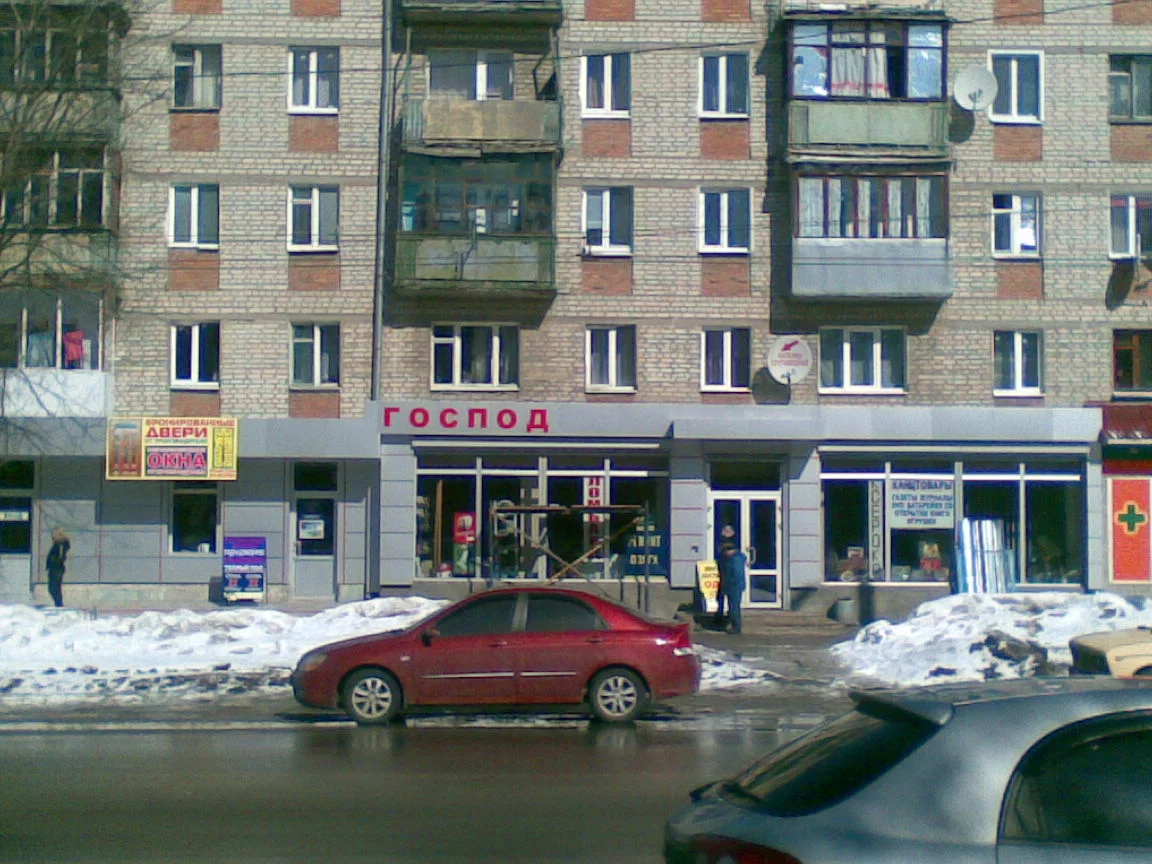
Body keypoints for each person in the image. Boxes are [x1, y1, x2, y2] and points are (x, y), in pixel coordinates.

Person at [717, 542, 747, 635]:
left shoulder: (735, 559)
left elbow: (736, 574)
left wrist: (728, 582)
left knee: (734, 607)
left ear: (730, 551)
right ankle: (732, 624)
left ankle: (736, 627)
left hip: (734, 586)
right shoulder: (730, 558)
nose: (724, 553)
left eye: (724, 551)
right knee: (732, 606)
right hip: (731, 585)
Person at [46, 528, 70, 608]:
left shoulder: (60, 544)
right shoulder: (57, 544)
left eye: (54, 534)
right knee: (53, 588)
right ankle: (58, 604)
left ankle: (59, 605)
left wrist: (53, 561)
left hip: (57, 569)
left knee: (54, 588)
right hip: (54, 568)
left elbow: (61, 557)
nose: (52, 536)